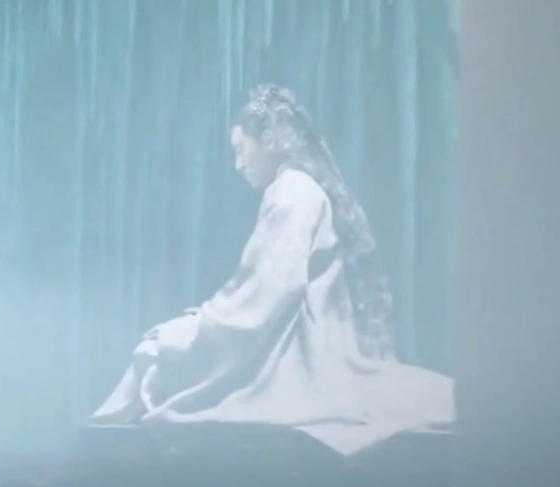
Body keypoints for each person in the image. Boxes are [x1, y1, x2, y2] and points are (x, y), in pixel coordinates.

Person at [89, 85, 453, 456]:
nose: (238, 164)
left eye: (241, 149)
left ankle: (98, 451)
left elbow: (269, 292)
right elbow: (261, 288)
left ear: (269, 140)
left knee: (152, 352)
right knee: (167, 346)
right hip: (290, 335)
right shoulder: (298, 189)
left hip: (296, 351)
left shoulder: (291, 192)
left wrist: (195, 326)